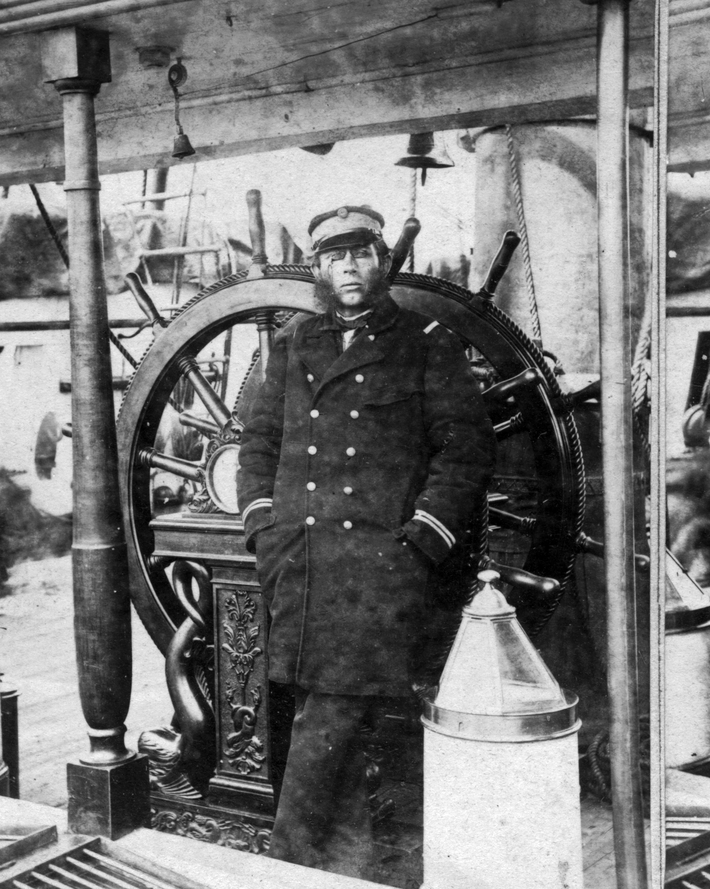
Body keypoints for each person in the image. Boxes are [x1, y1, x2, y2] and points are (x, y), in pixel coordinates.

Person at [236, 205, 495, 878]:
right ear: (318, 269)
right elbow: (258, 444)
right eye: (333, 258)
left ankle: (292, 864)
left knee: (333, 721)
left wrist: (420, 543)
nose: (347, 268)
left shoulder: (423, 341)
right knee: (315, 715)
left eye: (360, 255)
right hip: (300, 562)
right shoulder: (292, 344)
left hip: (380, 568)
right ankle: (351, 867)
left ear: (381, 262)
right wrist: (263, 527)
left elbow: (464, 450)